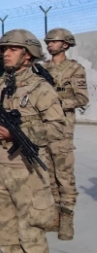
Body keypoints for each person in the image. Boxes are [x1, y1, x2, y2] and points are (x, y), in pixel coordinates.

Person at [0, 30, 63, 252]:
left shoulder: (41, 88)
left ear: (28, 54)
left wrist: (18, 133)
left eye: (13, 49)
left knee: (31, 234)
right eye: (4, 50)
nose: (6, 54)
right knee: (4, 231)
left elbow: (58, 128)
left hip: (26, 170)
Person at [43, 28, 89, 240]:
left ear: (65, 45)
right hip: (43, 129)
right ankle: (54, 217)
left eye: (54, 41)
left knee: (64, 178)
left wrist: (57, 102)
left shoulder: (74, 69)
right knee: (49, 176)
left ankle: (67, 221)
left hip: (62, 129)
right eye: (48, 41)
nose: (50, 44)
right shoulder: (41, 68)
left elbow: (82, 98)